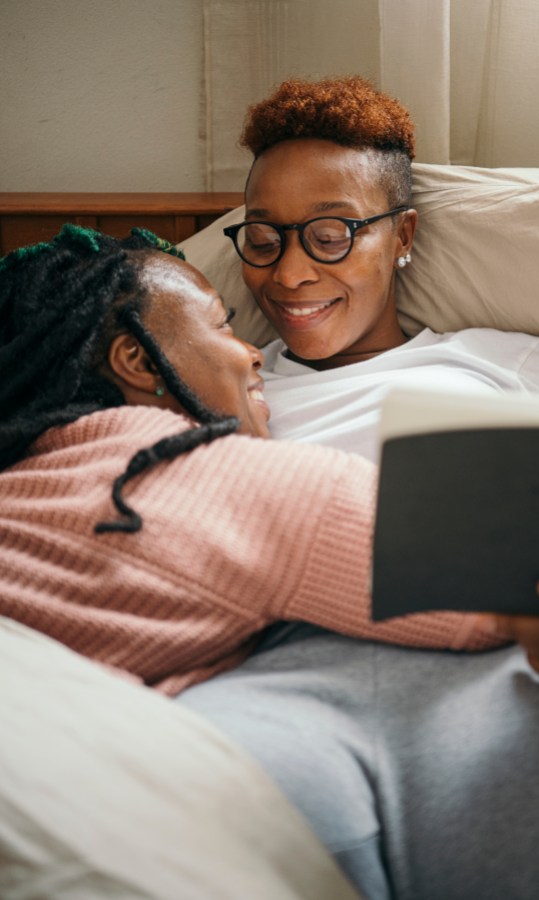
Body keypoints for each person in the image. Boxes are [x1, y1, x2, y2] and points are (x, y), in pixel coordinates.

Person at [177, 77, 539, 899]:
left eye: (332, 234)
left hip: (509, 671)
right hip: (282, 678)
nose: (290, 273)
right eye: (263, 238)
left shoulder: (504, 360)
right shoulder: (220, 383)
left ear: (402, 235)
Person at [0, 223, 511, 698]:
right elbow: (508, 593)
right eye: (221, 325)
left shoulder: (25, 479)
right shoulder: (231, 481)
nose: (253, 352)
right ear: (139, 362)